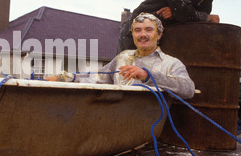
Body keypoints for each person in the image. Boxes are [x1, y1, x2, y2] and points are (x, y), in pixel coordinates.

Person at [47, 13, 195, 99]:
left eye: (149, 30)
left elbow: (189, 89)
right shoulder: (123, 57)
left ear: (159, 35)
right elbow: (99, 77)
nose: (142, 35)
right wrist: (64, 77)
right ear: (133, 35)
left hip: (148, 126)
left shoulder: (172, 63)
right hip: (117, 121)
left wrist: (148, 75)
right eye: (137, 30)